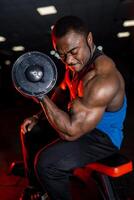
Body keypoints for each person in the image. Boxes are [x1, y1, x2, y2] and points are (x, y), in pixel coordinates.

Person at [20, 15, 127, 200]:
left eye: (73, 51)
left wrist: (40, 96)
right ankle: (37, 190)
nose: (68, 60)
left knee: (47, 164)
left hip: (103, 137)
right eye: (61, 54)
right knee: (31, 130)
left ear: (89, 39)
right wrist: (38, 116)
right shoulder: (75, 65)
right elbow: (62, 90)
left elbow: (71, 132)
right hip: (79, 121)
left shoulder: (102, 79)